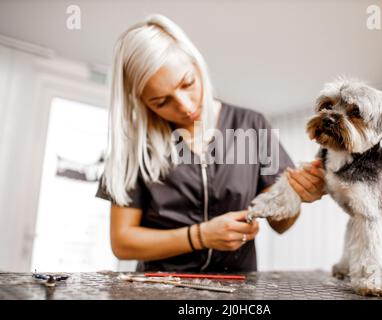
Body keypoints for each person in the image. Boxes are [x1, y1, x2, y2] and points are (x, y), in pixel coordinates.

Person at [96, 14, 325, 272]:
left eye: (187, 83)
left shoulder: (252, 124)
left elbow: (280, 225)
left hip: (237, 292)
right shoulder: (134, 145)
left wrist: (295, 196)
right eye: (161, 102)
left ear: (196, 63)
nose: (185, 105)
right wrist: (200, 236)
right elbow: (123, 243)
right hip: (160, 289)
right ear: (139, 101)